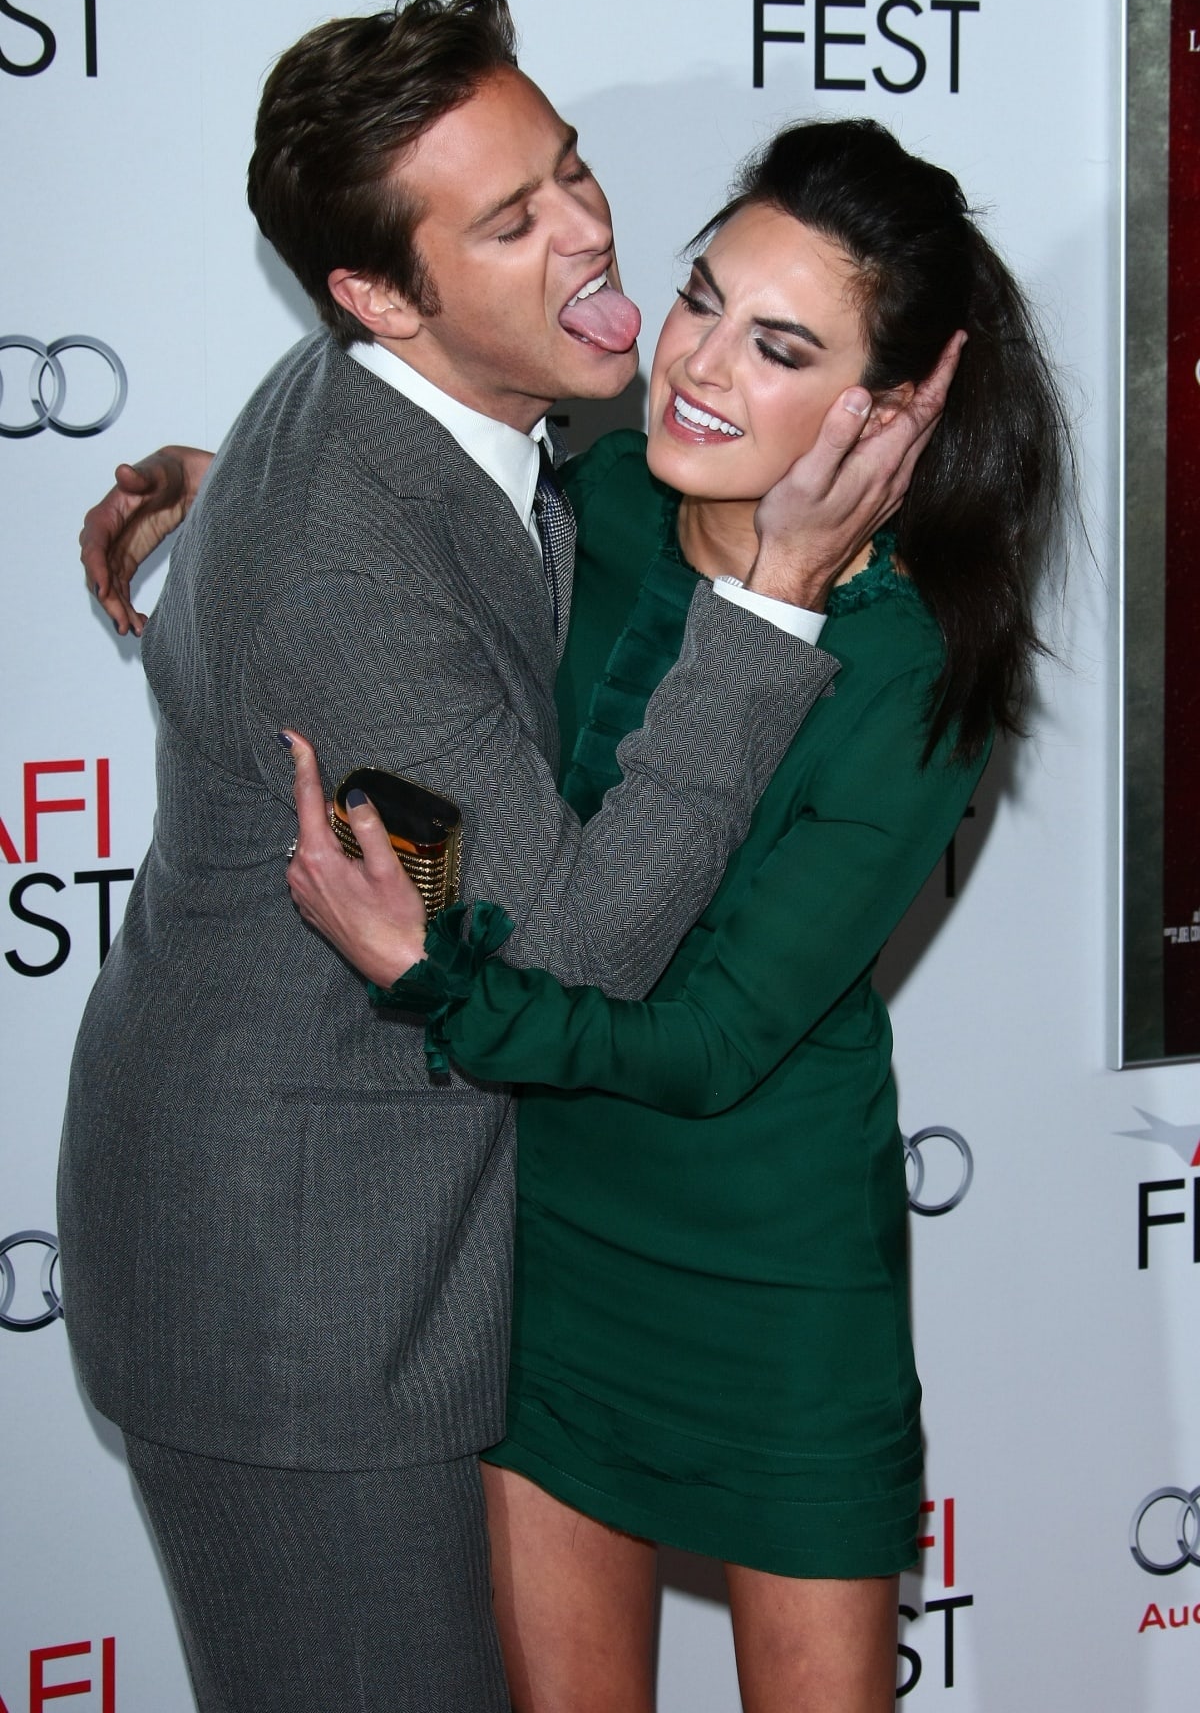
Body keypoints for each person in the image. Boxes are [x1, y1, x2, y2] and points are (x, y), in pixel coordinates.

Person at [62, 0, 956, 1712]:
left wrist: (219, 473)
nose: (588, 235)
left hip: (410, 1252)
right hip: (306, 1303)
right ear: (377, 296)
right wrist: (768, 610)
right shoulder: (345, 567)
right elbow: (568, 948)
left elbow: (425, 512)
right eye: (510, 220)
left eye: (571, 171)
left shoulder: (396, 413)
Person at [281, 118, 1072, 1713]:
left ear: (896, 407)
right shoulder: (606, 499)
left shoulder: (915, 663)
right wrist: (220, 484)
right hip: (543, 1239)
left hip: (768, 1272)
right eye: (702, 297)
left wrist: (437, 985)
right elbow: (426, 524)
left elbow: (712, 1045)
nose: (694, 365)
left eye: (779, 348)